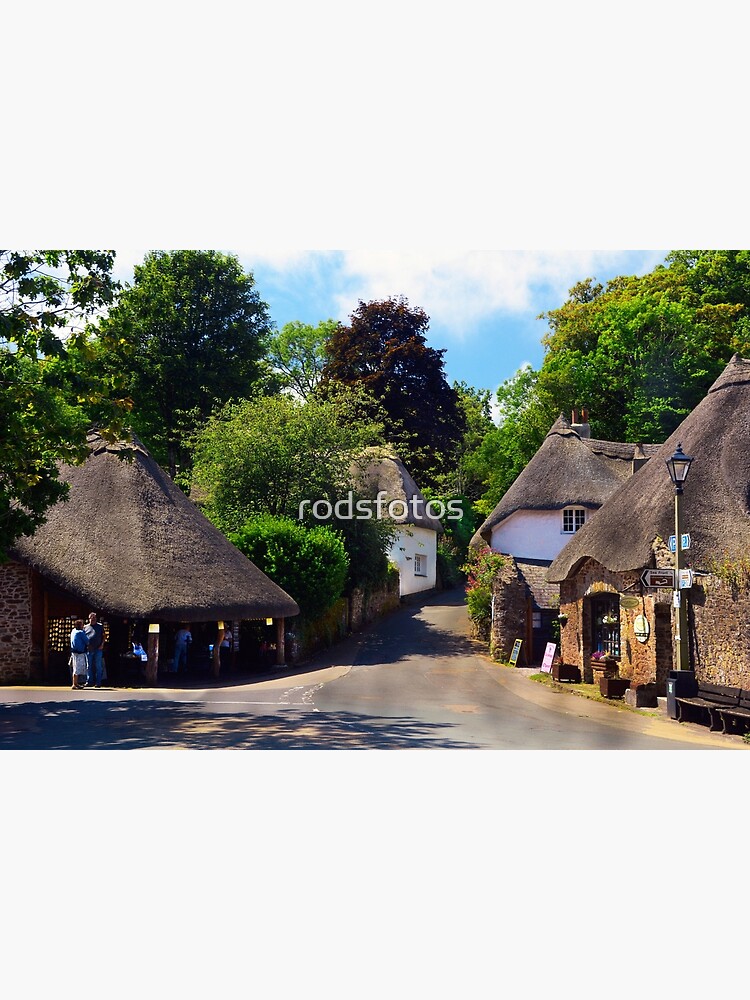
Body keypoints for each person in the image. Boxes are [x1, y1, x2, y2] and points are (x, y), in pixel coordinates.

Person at [85, 611, 105, 688]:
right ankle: (89, 681)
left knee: (98, 666)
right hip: (89, 649)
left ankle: (98, 682)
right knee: (89, 666)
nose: (93, 619)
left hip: (98, 648)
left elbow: (104, 636)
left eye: (94, 618)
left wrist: (102, 644)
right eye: (91, 618)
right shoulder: (85, 627)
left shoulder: (100, 626)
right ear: (89, 619)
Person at [69, 619, 89, 690]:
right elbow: (87, 641)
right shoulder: (80, 632)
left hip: (74, 652)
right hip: (79, 652)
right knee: (77, 668)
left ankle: (76, 683)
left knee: (75, 667)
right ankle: (74, 684)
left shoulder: (73, 631)